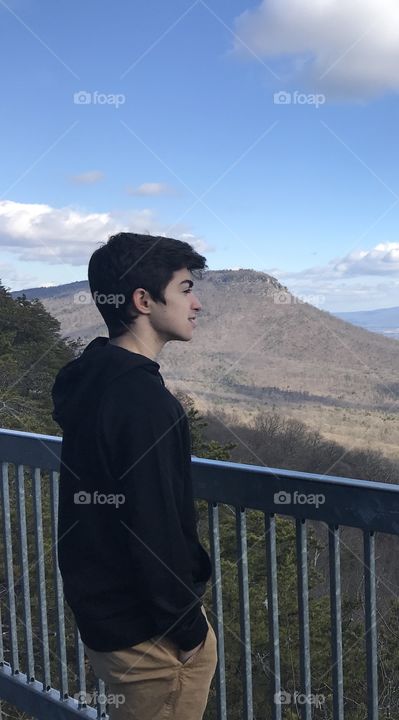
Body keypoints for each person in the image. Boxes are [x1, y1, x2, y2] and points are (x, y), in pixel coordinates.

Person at [52, 232, 216, 719]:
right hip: (152, 638)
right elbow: (153, 525)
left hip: (110, 621)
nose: (197, 303)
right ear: (143, 301)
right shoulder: (142, 402)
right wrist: (188, 633)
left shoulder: (94, 379)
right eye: (186, 288)